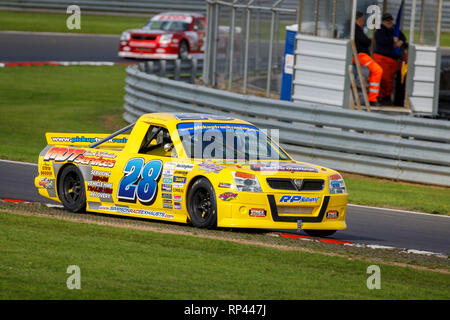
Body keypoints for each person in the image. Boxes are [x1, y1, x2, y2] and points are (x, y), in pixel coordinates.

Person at [373, 13, 407, 105]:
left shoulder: (395, 29)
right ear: (383, 22)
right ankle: (383, 97)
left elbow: (403, 37)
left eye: (390, 20)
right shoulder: (379, 30)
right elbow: (382, 40)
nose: (389, 22)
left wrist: (400, 41)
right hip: (382, 58)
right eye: (387, 21)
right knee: (384, 79)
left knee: (390, 80)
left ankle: (385, 96)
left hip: (393, 60)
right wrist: (393, 40)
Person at [354, 11, 383, 106]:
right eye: (362, 20)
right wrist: (369, 40)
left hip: (360, 56)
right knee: (378, 70)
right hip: (360, 56)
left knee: (371, 72)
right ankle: (372, 98)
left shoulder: (355, 29)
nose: (363, 22)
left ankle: (370, 97)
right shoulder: (356, 29)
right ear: (358, 20)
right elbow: (366, 41)